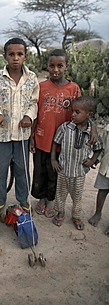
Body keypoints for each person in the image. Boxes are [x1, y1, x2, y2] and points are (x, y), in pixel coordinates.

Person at [0, 38, 39, 214]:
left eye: (19, 54)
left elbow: (34, 102)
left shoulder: (31, 78)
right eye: (11, 54)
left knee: (22, 170)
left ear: (25, 56)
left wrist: (29, 117)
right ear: (5, 57)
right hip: (2, 134)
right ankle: (0, 202)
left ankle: (23, 201)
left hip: (22, 134)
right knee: (0, 171)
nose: (15, 58)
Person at [30, 49, 82, 218]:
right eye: (52, 65)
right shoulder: (41, 87)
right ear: (47, 66)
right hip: (41, 138)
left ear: (66, 66)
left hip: (62, 143)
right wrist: (32, 137)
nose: (55, 69)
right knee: (40, 171)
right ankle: (41, 198)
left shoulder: (73, 89)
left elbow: (82, 113)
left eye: (60, 65)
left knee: (55, 173)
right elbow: (35, 113)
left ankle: (51, 199)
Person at [51, 96, 103, 230]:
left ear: (89, 115)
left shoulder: (92, 133)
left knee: (77, 197)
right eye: (72, 111)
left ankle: (76, 216)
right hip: (63, 170)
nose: (73, 114)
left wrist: (92, 160)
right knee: (60, 194)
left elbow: (98, 148)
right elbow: (55, 143)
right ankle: (60, 212)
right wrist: (53, 160)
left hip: (79, 173)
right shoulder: (65, 128)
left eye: (77, 112)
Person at [88, 123, 109, 235]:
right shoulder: (108, 129)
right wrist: (96, 159)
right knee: (102, 191)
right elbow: (104, 147)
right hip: (106, 166)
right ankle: (98, 212)